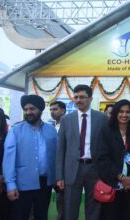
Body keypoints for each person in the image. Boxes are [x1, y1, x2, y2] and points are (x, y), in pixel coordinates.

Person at [56, 84, 107, 220]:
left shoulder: (101, 118)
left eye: (82, 97)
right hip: (72, 170)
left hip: (94, 169)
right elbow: (61, 149)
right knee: (70, 208)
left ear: (90, 99)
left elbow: (106, 147)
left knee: (94, 208)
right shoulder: (66, 120)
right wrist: (59, 176)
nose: (79, 100)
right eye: (76, 97)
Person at [3, 95, 58, 220]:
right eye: (25, 109)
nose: (28, 112)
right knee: (20, 216)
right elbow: (8, 159)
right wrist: (11, 185)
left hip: (45, 184)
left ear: (40, 109)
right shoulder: (16, 130)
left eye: (32, 109)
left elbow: (56, 156)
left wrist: (57, 178)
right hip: (22, 184)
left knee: (41, 215)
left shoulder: (51, 130)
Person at [97, 99, 130, 220]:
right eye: (121, 111)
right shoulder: (106, 131)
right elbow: (103, 158)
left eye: (127, 112)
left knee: (127, 215)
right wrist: (121, 178)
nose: (124, 115)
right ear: (115, 113)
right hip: (111, 182)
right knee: (110, 215)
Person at [49, 101, 67, 220]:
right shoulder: (49, 127)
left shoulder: (70, 125)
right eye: (51, 109)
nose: (52, 112)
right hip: (50, 168)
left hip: (64, 169)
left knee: (63, 198)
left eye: (55, 109)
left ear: (63, 110)